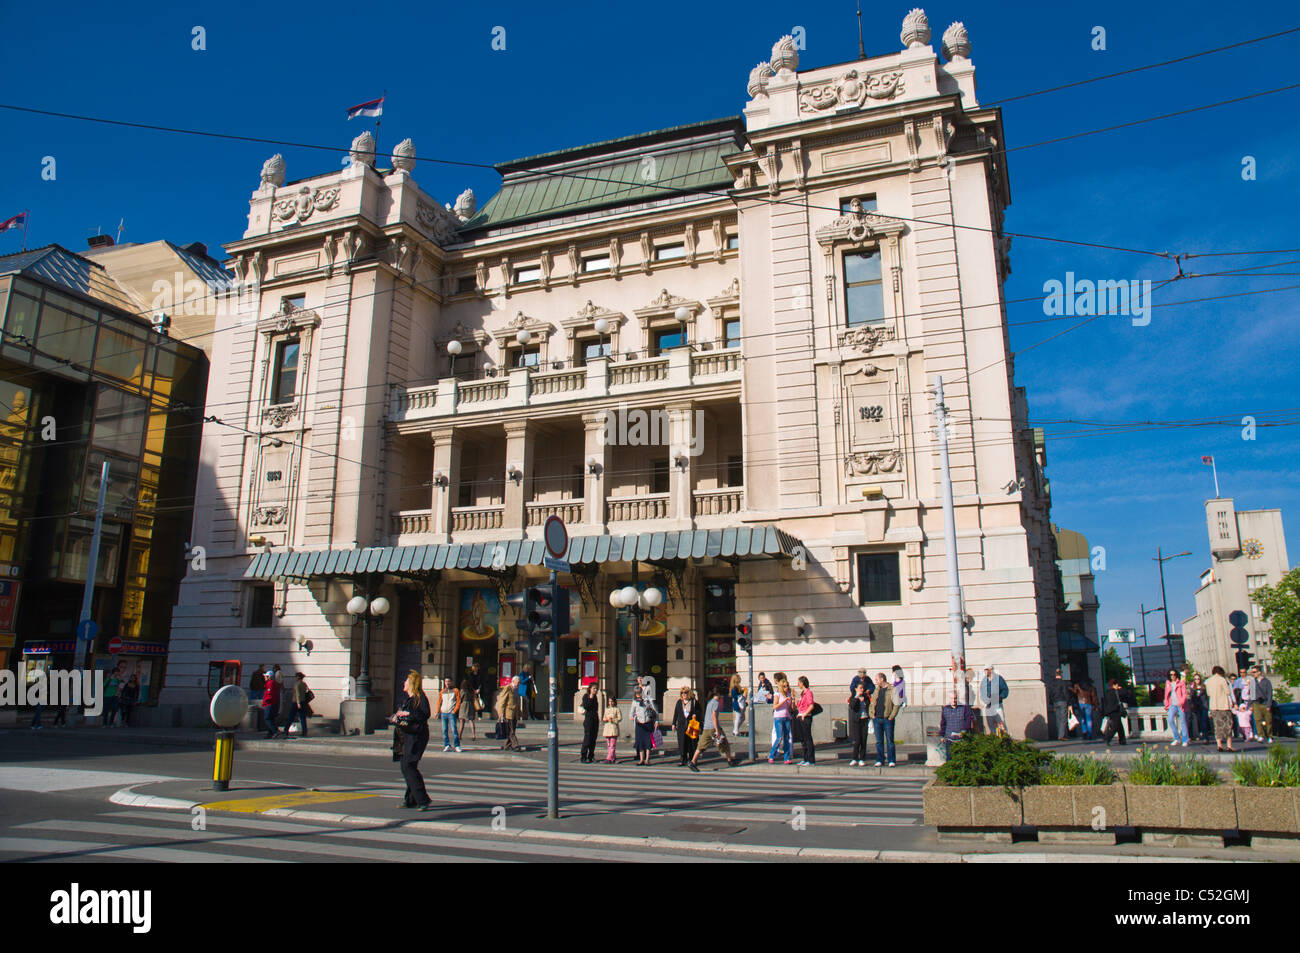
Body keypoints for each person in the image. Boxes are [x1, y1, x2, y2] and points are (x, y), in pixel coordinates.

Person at [392, 671, 433, 811]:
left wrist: (408, 714)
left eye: (406, 681)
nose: (403, 683)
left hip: (417, 736)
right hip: (406, 736)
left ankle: (422, 799)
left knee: (408, 765)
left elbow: (425, 713)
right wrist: (396, 717)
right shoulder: (408, 700)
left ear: (411, 684)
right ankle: (411, 800)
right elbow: (404, 717)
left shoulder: (420, 698)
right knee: (407, 766)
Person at [689, 685, 735, 771]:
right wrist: (717, 730)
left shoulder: (710, 701)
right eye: (720, 694)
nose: (721, 696)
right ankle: (730, 761)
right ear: (718, 694)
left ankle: (692, 762)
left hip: (707, 727)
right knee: (725, 744)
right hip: (713, 728)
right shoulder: (715, 703)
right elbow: (714, 717)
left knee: (701, 746)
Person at [871, 672, 900, 766]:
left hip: (887, 719)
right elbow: (872, 703)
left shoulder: (892, 689)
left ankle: (891, 760)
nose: (876, 682)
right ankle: (880, 759)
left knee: (889, 740)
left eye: (877, 680)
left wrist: (892, 716)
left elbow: (896, 704)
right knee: (879, 741)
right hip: (877, 718)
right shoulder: (877, 690)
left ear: (882, 679)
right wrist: (872, 714)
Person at [1206, 665, 1236, 751]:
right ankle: (1229, 745)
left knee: (1217, 726)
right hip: (1223, 705)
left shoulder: (1208, 681)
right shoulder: (1223, 680)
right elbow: (1228, 691)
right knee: (1228, 725)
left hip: (1213, 706)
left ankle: (1219, 745)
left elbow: (1208, 693)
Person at [938, 692, 974, 761]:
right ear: (949, 699)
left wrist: (964, 731)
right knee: (949, 757)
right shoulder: (945, 709)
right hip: (949, 738)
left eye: (955, 698)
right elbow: (943, 723)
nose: (953, 700)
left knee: (962, 758)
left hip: (961, 739)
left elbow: (968, 721)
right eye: (952, 698)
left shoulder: (965, 708)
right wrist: (942, 735)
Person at [768, 674, 794, 764]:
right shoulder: (777, 694)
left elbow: (790, 707)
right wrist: (783, 701)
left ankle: (786, 758)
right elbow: (775, 706)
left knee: (786, 738)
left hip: (786, 717)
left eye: (787, 686)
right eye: (784, 686)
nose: (786, 688)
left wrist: (792, 701)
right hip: (778, 717)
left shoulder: (788, 694)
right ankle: (772, 755)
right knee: (779, 737)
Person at [672, 687, 701, 766]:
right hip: (681, 726)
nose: (683, 694)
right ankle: (683, 759)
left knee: (691, 743)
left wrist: (696, 715)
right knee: (682, 742)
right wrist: (674, 723)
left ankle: (691, 759)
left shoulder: (693, 702)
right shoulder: (679, 702)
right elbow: (676, 713)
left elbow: (699, 712)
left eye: (685, 693)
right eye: (682, 693)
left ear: (689, 693)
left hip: (691, 725)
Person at [978, 666, 1008, 736]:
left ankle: (1004, 739)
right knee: (991, 725)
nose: (986, 671)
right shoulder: (984, 681)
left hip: (997, 705)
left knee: (1001, 723)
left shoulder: (999, 679)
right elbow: (982, 693)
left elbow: (1005, 690)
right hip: (988, 706)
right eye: (985, 670)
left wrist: (1000, 697)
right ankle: (994, 740)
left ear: (991, 670)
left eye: (987, 670)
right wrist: (986, 701)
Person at [630, 687, 657, 765]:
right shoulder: (634, 701)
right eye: (637, 693)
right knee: (640, 742)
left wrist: (656, 720)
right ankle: (641, 759)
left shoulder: (647, 700)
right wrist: (632, 716)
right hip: (639, 724)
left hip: (648, 723)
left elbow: (654, 710)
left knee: (648, 742)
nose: (638, 695)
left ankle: (647, 759)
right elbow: (632, 711)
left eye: (639, 693)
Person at [794, 675, 817, 765]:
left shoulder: (808, 692)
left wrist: (804, 714)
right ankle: (805, 758)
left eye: (799, 682)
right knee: (803, 739)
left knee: (807, 738)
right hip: (800, 716)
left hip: (806, 717)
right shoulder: (802, 693)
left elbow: (811, 705)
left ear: (802, 683)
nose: (798, 684)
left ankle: (811, 759)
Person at [848, 680, 872, 765]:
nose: (862, 690)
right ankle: (854, 758)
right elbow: (852, 706)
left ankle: (862, 758)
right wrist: (857, 697)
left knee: (863, 740)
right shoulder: (853, 697)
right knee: (857, 740)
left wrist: (870, 718)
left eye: (863, 688)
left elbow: (869, 706)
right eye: (860, 688)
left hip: (864, 720)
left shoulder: (866, 697)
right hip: (856, 721)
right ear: (856, 688)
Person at [435, 677, 462, 752]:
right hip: (444, 713)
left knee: (454, 730)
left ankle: (457, 745)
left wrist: (455, 710)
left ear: (452, 682)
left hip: (451, 713)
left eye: (449, 681)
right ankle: (447, 745)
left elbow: (458, 701)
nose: (447, 683)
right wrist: (437, 711)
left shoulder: (455, 690)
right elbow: (439, 702)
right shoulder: (442, 691)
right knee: (444, 730)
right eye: (446, 681)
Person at [1164, 669, 1189, 747]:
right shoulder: (1168, 683)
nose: (1173, 676)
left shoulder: (1181, 683)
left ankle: (1185, 739)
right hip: (1172, 704)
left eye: (1174, 674)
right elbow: (1166, 695)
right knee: (1170, 719)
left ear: (1176, 675)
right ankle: (1177, 738)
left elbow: (1184, 694)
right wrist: (1167, 704)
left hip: (1180, 704)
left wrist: (1181, 702)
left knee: (1183, 722)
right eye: (1171, 675)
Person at [497, 676, 522, 750]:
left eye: (519, 683)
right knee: (511, 730)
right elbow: (503, 701)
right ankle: (515, 745)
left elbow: (517, 701)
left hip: (515, 713)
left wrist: (520, 712)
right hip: (509, 712)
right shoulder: (508, 688)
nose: (519, 684)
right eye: (518, 682)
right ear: (513, 681)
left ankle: (506, 745)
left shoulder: (516, 689)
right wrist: (501, 713)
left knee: (512, 730)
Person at [1100, 678, 1127, 746]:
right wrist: (1120, 689)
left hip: (1110, 711)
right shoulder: (1116, 692)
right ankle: (1107, 738)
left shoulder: (1107, 692)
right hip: (1115, 711)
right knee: (1115, 727)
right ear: (1115, 684)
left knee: (1120, 726)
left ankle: (1122, 740)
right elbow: (1125, 693)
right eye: (1117, 684)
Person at [1252, 667, 1274, 744]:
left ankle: (1270, 735)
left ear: (1259, 672)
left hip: (1265, 703)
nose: (1253, 674)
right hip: (1256, 703)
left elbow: (1270, 694)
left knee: (1268, 720)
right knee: (1258, 720)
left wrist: (1269, 705)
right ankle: (1260, 735)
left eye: (1254, 672)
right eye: (1252, 672)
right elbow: (1251, 694)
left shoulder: (1266, 682)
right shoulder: (1253, 682)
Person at [1048, 669, 1072, 741]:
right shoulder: (1063, 683)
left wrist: (1051, 702)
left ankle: (1059, 734)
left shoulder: (1052, 683)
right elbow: (1065, 693)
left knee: (1058, 719)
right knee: (1063, 719)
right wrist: (1069, 702)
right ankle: (1061, 735)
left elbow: (1050, 694)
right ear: (1061, 674)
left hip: (1055, 702)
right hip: (1062, 701)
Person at [284, 672, 310, 737]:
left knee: (291, 717)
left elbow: (297, 694)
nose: (295, 678)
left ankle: (286, 730)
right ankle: (304, 731)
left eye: (296, 677)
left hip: (296, 702)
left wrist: (298, 703)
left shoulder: (297, 684)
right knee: (302, 717)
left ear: (298, 677)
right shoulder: (304, 684)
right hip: (303, 701)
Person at [580, 683, 600, 763]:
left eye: (596, 689)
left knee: (593, 739)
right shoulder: (586, 696)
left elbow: (596, 708)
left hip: (595, 719)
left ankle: (591, 756)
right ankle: (583, 756)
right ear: (590, 689)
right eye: (594, 688)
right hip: (588, 719)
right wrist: (590, 698)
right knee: (587, 738)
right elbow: (586, 706)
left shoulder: (595, 697)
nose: (595, 690)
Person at [1187, 674, 1208, 743]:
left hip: (1204, 706)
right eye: (1195, 679)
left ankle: (1205, 737)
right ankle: (1198, 734)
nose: (1197, 680)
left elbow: (1207, 697)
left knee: (1204, 721)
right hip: (1196, 707)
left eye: (1198, 679)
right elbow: (1191, 697)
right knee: (1198, 722)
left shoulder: (1204, 687)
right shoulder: (1192, 688)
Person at [262, 666, 281, 738]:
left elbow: (270, 695)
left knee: (267, 718)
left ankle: (275, 731)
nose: (265, 677)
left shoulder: (270, 683)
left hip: (270, 704)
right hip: (273, 703)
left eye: (266, 676)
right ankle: (270, 734)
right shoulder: (272, 683)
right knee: (271, 718)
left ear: (269, 677)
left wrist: (266, 701)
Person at [602, 693, 622, 763]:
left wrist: (613, 720)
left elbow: (619, 718)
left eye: (612, 701)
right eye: (609, 701)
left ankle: (608, 758)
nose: (610, 703)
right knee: (608, 745)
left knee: (612, 745)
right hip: (607, 728)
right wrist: (606, 719)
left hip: (613, 728)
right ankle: (613, 758)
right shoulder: (606, 709)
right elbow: (603, 718)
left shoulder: (617, 709)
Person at [457, 670, 477, 740]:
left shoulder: (462, 690)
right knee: (471, 720)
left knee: (462, 721)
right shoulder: (471, 690)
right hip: (471, 705)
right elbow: (474, 698)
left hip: (463, 705)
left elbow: (459, 698)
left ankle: (459, 735)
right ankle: (473, 735)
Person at [249, 665, 267, 732]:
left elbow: (251, 681)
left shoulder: (255, 672)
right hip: (261, 689)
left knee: (252, 703)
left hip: (255, 688)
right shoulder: (263, 673)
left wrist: (251, 687)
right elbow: (265, 681)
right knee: (261, 703)